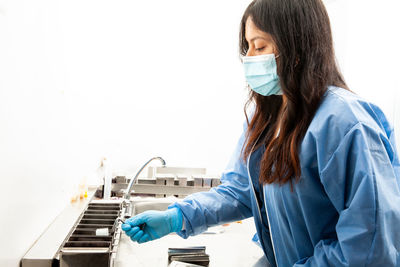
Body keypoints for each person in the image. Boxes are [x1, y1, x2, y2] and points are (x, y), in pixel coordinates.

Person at [122, 0, 400, 266]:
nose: (249, 59)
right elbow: (240, 190)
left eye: (259, 46)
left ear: (296, 47)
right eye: (247, 47)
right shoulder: (267, 117)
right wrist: (177, 217)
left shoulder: (344, 123)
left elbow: (371, 243)